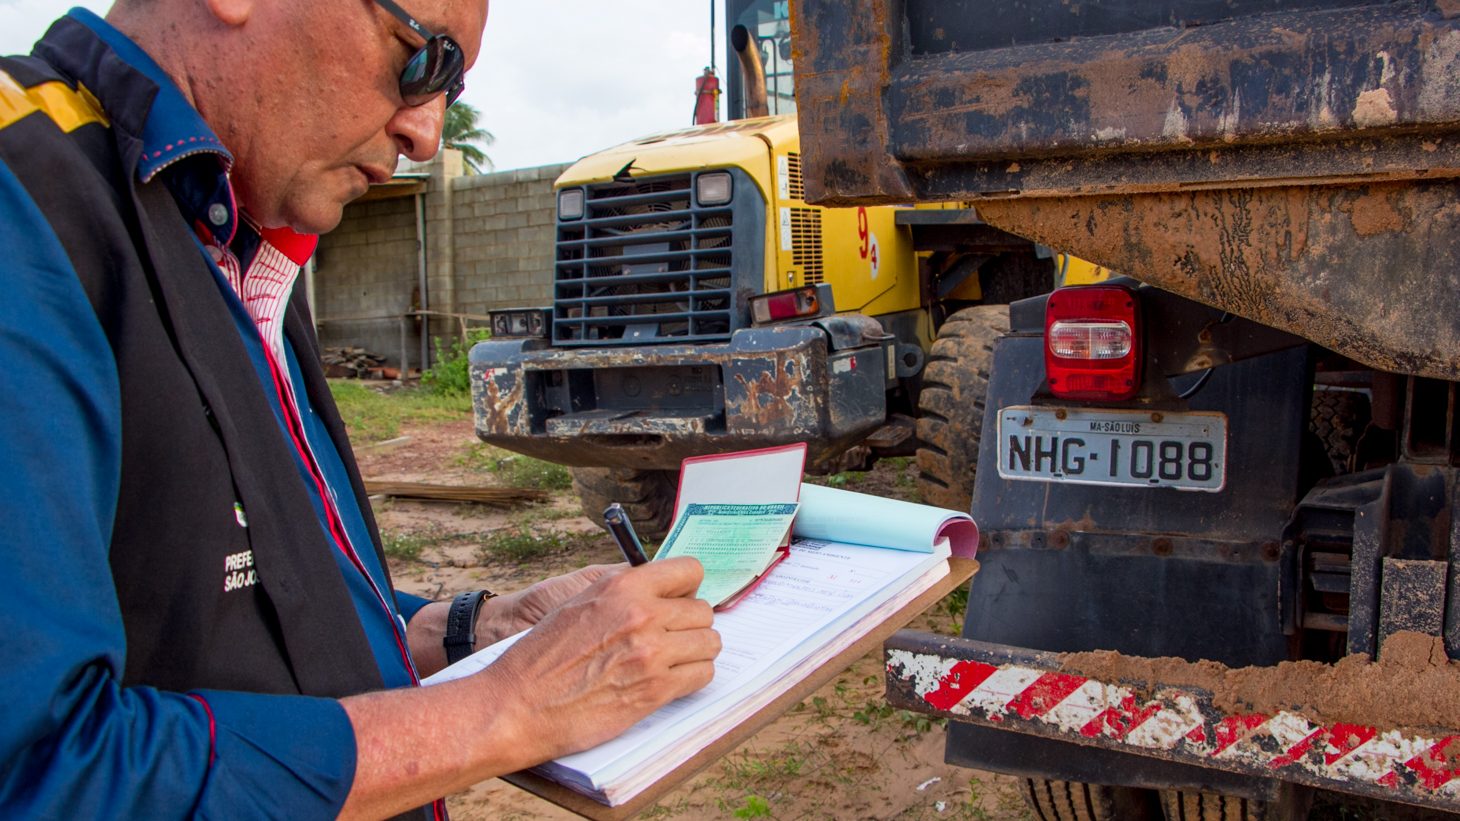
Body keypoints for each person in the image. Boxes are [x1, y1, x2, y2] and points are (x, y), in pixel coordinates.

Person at [0, 1, 721, 820]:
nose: (427, 132)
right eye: (421, 57)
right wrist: (506, 708)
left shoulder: (234, 229)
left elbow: (228, 608)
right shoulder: (23, 204)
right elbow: (42, 770)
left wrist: (471, 631)